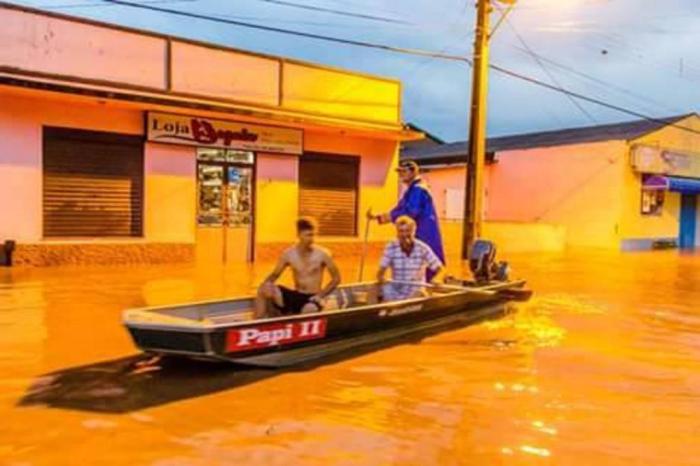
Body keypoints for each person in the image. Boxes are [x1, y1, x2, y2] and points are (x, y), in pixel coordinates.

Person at [369, 160, 445, 280]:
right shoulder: (411, 190)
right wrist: (378, 217)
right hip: (414, 229)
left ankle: (431, 286)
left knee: (427, 261)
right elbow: (399, 208)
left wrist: (389, 217)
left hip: (423, 231)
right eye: (399, 172)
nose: (400, 175)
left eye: (403, 171)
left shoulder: (419, 189)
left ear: (413, 172)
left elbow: (411, 211)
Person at [255, 217, 341, 319]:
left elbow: (336, 279)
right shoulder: (288, 254)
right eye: (308, 235)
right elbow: (274, 275)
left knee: (309, 309)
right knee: (263, 288)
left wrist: (320, 295)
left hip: (313, 297)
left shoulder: (323, 254)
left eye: (313, 235)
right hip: (296, 295)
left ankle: (294, 319)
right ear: (299, 235)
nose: (311, 239)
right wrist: (264, 288)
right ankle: (258, 322)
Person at [376, 215, 444, 302]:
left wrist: (438, 278)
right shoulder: (391, 247)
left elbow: (441, 270)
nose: (404, 235)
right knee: (386, 289)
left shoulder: (422, 248)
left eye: (408, 231)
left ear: (414, 232)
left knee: (420, 294)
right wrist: (381, 277)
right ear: (397, 232)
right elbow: (381, 271)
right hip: (397, 290)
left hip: (416, 293)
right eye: (401, 231)